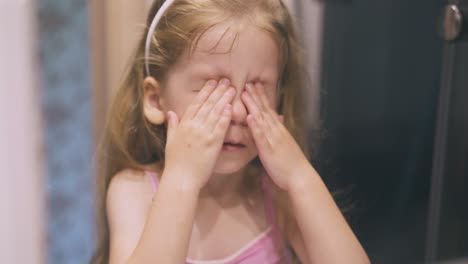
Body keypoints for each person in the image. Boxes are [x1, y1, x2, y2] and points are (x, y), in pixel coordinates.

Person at [92, 0, 370, 263]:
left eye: (257, 88)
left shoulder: (277, 196)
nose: (237, 112)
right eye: (213, 88)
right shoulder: (134, 191)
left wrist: (299, 176)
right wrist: (182, 179)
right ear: (155, 100)